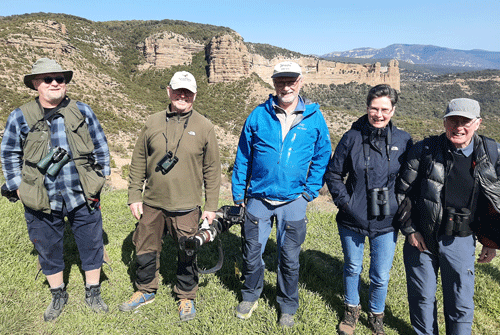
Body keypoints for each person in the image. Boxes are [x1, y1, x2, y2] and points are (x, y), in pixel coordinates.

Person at [0, 58, 111, 321]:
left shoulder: (82, 110)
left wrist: (100, 177)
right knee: (47, 246)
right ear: (36, 84)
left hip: (82, 193)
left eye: (59, 79)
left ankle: (93, 291)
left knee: (92, 242)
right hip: (40, 195)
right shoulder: (20, 116)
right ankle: (58, 293)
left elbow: (100, 145)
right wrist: (18, 188)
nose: (54, 83)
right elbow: (9, 153)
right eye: (47, 79)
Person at [231, 61, 332, 327]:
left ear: (300, 82)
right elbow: (243, 155)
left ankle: (287, 304)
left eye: (291, 81)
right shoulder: (258, 115)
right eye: (280, 81)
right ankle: (251, 294)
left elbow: (323, 154)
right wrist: (239, 191)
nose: (286, 86)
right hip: (258, 198)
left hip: (294, 200)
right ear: (273, 83)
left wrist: (310, 191)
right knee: (252, 252)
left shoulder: (313, 117)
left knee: (289, 257)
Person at [120, 71, 221, 321]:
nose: (182, 96)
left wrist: (211, 206)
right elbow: (138, 161)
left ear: (195, 95)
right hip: (152, 203)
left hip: (187, 205)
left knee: (188, 250)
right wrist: (135, 195)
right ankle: (145, 290)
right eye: (178, 90)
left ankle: (186, 296)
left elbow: (213, 170)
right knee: (144, 247)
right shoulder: (152, 122)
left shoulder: (205, 127)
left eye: (188, 92)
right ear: (168, 91)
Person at [395, 98, 499, 335]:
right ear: (444, 122)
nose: (458, 126)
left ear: (478, 123)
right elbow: (402, 191)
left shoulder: (491, 153)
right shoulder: (424, 150)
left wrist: (491, 241)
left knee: (460, 302)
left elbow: (495, 202)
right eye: (453, 120)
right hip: (421, 238)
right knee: (421, 298)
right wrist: (410, 230)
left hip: (461, 239)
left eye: (465, 121)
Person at [324, 84, 412, 335]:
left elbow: (409, 179)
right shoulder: (351, 138)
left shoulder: (403, 140)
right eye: (374, 108)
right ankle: (351, 311)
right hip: (352, 218)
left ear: (393, 110)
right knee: (352, 267)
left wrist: (401, 206)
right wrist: (346, 203)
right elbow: (333, 173)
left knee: (381, 274)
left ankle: (376, 316)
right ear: (367, 108)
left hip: (387, 220)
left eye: (385, 109)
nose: (379, 114)